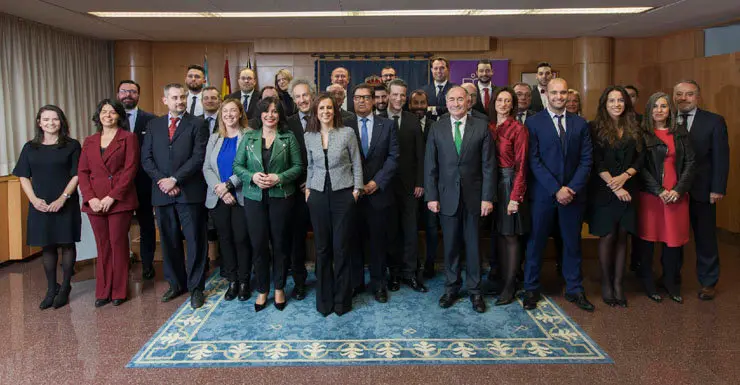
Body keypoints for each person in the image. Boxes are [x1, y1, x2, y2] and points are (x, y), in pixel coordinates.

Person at [523, 78, 594, 312]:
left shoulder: (580, 124)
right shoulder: (533, 123)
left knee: (572, 244)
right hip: (543, 195)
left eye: (563, 93)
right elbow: (533, 160)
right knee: (536, 244)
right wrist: (556, 189)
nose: (559, 97)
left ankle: (574, 289)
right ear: (547, 95)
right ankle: (531, 289)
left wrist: (570, 189)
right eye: (554, 93)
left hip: (572, 197)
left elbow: (586, 160)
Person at [425, 86, 495, 313]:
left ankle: (475, 292)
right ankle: (451, 288)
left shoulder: (482, 127)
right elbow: (430, 166)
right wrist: (432, 196)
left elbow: (488, 166)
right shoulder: (437, 128)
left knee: (473, 246)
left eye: (460, 99)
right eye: (451, 99)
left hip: (475, 198)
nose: (455, 103)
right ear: (446, 102)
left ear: (468, 102)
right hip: (446, 198)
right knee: (451, 245)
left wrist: (487, 198)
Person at [141, 83, 210, 309]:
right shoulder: (153, 125)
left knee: (195, 240)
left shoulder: (198, 124)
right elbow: (146, 159)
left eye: (182, 97)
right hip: (162, 193)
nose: (179, 101)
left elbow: (198, 157)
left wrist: (175, 180)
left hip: (189, 192)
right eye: (174, 98)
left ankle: (196, 287)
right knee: (169, 240)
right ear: (165, 101)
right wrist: (163, 181)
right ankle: (175, 283)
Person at [233, 96, 302, 312]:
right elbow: (237, 165)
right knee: (259, 245)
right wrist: (252, 177)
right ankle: (263, 289)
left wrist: (279, 178)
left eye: (274, 111)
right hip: (254, 198)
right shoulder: (249, 137)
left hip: (281, 198)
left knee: (281, 244)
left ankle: (279, 288)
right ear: (259, 114)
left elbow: (298, 166)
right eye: (266, 111)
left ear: (279, 115)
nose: (270, 115)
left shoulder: (288, 137)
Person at [14, 105, 81, 309]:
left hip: (65, 201)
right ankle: (52, 288)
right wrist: (33, 200)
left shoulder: (72, 145)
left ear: (62, 122)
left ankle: (65, 287)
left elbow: (77, 174)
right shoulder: (30, 147)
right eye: (46, 119)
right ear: (39, 122)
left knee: (67, 244)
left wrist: (63, 198)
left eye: (55, 119)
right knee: (47, 246)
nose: (50, 123)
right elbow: (23, 175)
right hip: (40, 203)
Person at [304, 93, 364, 316]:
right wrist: (309, 190)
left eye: (329, 108)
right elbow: (310, 166)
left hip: (343, 195)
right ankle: (324, 300)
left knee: (341, 248)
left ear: (335, 110)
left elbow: (357, 163)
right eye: (321, 109)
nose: (326, 112)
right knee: (322, 249)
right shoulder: (309, 136)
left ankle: (342, 301)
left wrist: (356, 191)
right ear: (316, 112)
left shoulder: (347, 133)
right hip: (318, 195)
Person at [78, 99, 139, 307]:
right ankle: (103, 291)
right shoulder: (89, 141)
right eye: (104, 112)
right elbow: (83, 172)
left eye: (112, 112)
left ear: (119, 116)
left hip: (118, 200)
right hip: (94, 201)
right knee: (102, 246)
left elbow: (130, 170)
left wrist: (111, 197)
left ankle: (119, 291)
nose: (108, 115)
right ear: (99, 116)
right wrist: (91, 198)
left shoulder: (128, 138)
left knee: (118, 244)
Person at [586, 86, 643, 308]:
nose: (616, 104)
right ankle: (606, 284)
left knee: (622, 237)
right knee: (607, 235)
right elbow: (596, 160)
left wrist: (626, 177)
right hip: (604, 191)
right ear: (604, 104)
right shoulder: (595, 128)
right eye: (611, 100)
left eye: (620, 100)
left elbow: (641, 158)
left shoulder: (635, 126)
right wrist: (615, 185)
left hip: (629, 189)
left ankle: (619, 284)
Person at [636, 92, 695, 304]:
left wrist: (678, 190)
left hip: (676, 196)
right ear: (649, 110)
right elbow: (639, 167)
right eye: (655, 106)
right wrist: (658, 190)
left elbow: (690, 163)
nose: (659, 110)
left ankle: (671, 283)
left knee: (673, 243)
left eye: (663, 106)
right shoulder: (642, 134)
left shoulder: (680, 132)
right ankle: (648, 283)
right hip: (652, 196)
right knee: (648, 242)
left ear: (670, 109)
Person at [673, 80, 729, 301]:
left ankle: (708, 282)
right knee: (673, 236)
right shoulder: (665, 119)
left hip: (703, 190)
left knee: (705, 238)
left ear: (698, 96)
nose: (684, 98)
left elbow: (721, 157)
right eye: (679, 94)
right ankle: (671, 277)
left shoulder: (714, 121)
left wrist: (717, 188)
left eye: (689, 94)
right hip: (672, 191)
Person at [347, 83, 399, 303]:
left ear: (374, 100)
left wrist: (376, 182)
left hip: (378, 194)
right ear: (353, 100)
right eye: (358, 97)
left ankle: (379, 284)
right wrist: (356, 184)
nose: (362, 101)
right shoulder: (343, 124)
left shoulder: (387, 125)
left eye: (366, 97)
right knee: (353, 241)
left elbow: (394, 157)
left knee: (378, 242)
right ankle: (356, 282)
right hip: (350, 194)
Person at [203, 98, 252, 302]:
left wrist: (229, 185)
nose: (229, 115)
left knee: (241, 239)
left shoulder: (249, 136)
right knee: (226, 241)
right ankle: (232, 281)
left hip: (242, 197)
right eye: (225, 112)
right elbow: (207, 167)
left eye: (233, 111)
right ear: (221, 116)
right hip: (218, 198)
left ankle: (244, 281)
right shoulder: (214, 138)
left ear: (240, 113)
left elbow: (251, 166)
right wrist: (221, 190)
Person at [487, 87, 529, 306]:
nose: (503, 104)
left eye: (507, 101)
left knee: (510, 236)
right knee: (499, 235)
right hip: (492, 184)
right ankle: (502, 279)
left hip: (510, 184)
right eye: (500, 100)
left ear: (513, 105)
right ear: (494, 103)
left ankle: (510, 285)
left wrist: (515, 196)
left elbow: (522, 165)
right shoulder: (490, 126)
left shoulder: (518, 129)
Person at [386, 79, 427, 292]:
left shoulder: (412, 120)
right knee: (391, 232)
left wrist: (421, 182)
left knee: (411, 231)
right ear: (388, 95)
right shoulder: (379, 118)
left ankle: (410, 274)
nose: (399, 99)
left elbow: (421, 154)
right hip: (385, 186)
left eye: (403, 95)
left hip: (411, 186)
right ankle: (393, 273)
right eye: (395, 94)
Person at [117, 80, 157, 279]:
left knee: (146, 224)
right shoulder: (110, 119)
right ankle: (122, 263)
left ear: (138, 95)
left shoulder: (151, 120)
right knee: (119, 226)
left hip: (143, 182)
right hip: (117, 184)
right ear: (118, 95)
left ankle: (148, 264)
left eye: (132, 91)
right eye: (124, 91)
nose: (128, 95)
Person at [285, 78, 315, 300]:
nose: (302, 100)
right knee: (296, 239)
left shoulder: (326, 116)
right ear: (294, 100)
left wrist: (312, 180)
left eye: (305, 95)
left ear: (312, 95)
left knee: (325, 237)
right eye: (298, 96)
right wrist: (300, 180)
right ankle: (300, 281)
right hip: (295, 192)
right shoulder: (287, 123)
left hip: (321, 189)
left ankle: (325, 277)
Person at [409, 89, 440, 278]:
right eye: (416, 103)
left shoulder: (435, 126)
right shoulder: (403, 124)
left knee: (431, 227)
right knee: (411, 228)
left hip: (432, 186)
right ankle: (413, 264)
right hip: (410, 187)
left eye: (422, 103)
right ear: (410, 105)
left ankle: (430, 264)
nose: (419, 107)